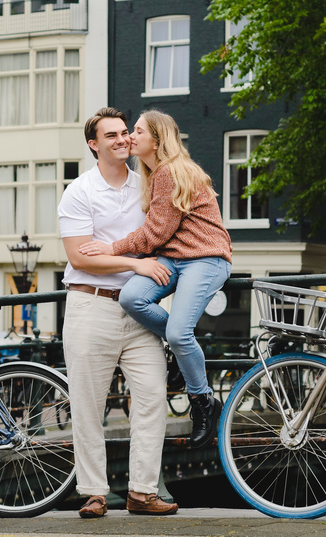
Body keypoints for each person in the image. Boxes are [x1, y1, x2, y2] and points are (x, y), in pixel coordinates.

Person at [78, 110, 232, 449]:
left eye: (137, 131)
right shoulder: (151, 173)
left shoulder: (172, 171)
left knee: (178, 332)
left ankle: (203, 402)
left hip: (205, 258)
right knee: (133, 298)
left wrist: (112, 249)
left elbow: (156, 231)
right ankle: (182, 350)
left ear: (157, 140)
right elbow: (162, 235)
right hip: (173, 258)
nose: (130, 136)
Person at [57, 107, 179, 518]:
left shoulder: (146, 184)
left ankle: (142, 491)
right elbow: (79, 256)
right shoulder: (79, 192)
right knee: (88, 404)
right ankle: (92, 492)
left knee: (151, 397)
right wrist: (136, 263)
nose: (122, 139)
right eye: (111, 135)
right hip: (91, 305)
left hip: (140, 310)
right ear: (94, 144)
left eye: (126, 132)